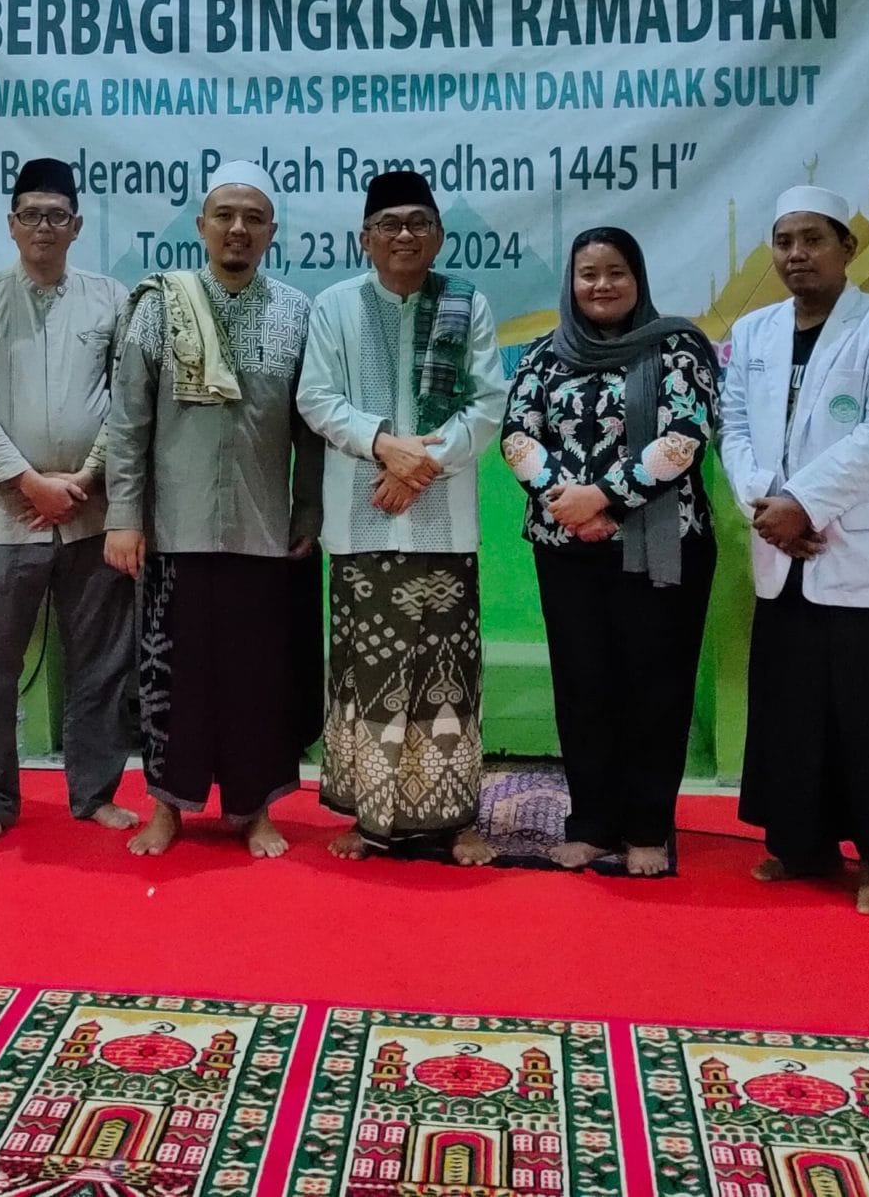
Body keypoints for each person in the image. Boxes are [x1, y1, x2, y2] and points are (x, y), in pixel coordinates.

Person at [720, 186, 869, 916]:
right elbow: (734, 428)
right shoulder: (753, 331)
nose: (796, 254)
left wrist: (802, 504)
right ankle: (800, 844)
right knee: (792, 710)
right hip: (780, 547)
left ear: (848, 247)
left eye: (813, 239)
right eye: (784, 241)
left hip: (859, 552)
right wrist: (764, 502)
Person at [104, 161, 324, 860]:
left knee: (258, 681)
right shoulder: (159, 306)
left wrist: (307, 511)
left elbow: (309, 429)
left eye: (253, 218)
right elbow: (128, 421)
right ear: (201, 226)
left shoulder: (296, 312)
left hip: (264, 533)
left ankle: (253, 810)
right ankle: (167, 807)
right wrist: (123, 516)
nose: (238, 228)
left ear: (271, 232)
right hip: (175, 531)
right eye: (224, 215)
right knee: (173, 679)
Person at [299, 170, 506, 865]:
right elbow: (317, 398)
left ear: (439, 236)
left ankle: (455, 817)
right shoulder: (334, 305)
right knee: (368, 676)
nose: (405, 235)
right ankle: (370, 817)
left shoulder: (466, 304)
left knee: (449, 672)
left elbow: (488, 402)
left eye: (419, 222)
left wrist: (422, 463)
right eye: (389, 224)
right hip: (360, 524)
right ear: (366, 238)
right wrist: (385, 445)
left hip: (444, 526)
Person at [501, 226, 719, 877]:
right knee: (583, 687)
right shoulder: (544, 353)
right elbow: (517, 434)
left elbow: (685, 434)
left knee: (655, 688)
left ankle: (648, 825)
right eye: (588, 273)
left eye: (616, 272)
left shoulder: (677, 345)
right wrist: (564, 499)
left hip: (661, 546)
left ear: (638, 278)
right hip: (566, 548)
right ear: (571, 283)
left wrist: (603, 498)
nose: (601, 285)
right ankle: (592, 822)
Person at [0, 157, 136, 844]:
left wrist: (84, 478)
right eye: (32, 215)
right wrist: (28, 482)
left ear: (77, 225)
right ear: (11, 223)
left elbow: (127, 399)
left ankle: (95, 792)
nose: (44, 227)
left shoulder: (111, 299)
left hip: (90, 514)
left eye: (57, 216)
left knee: (102, 662)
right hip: (5, 515)